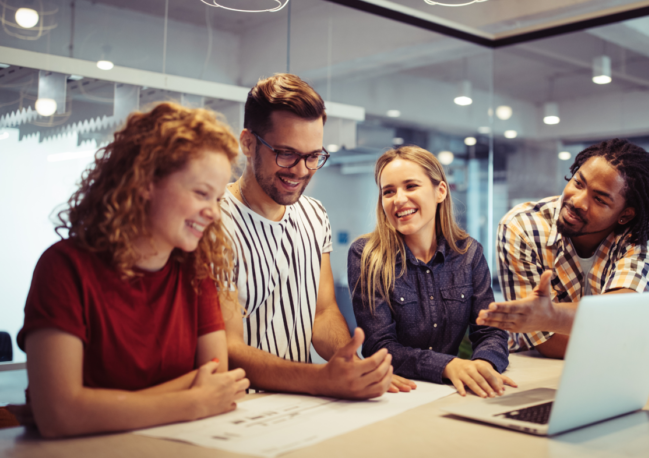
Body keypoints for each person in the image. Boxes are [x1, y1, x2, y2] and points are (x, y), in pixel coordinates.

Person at [15, 103, 250, 438]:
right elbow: (59, 416)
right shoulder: (64, 268)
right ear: (145, 181)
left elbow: (216, 378)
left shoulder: (196, 272)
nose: (213, 213)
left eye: (216, 199)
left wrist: (89, 409)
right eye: (201, 193)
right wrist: (193, 402)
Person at [220, 74, 396, 399]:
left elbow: (323, 312)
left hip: (300, 407)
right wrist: (320, 379)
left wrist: (353, 366)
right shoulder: (213, 222)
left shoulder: (314, 215)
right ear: (247, 142)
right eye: (286, 153)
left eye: (313, 156)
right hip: (238, 409)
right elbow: (226, 348)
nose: (301, 170)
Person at [477, 138, 649, 369]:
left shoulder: (643, 238)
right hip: (540, 373)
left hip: (623, 374)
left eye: (599, 199)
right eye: (578, 183)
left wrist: (548, 316)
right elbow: (546, 342)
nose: (578, 201)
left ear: (625, 215)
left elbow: (624, 312)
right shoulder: (522, 227)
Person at [348, 146, 515, 398]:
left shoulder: (468, 253)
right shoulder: (367, 255)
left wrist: (484, 364)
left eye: (411, 186)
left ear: (440, 191)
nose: (399, 199)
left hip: (453, 392)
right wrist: (447, 365)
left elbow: (490, 330)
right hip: (396, 394)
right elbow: (379, 347)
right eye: (388, 191)